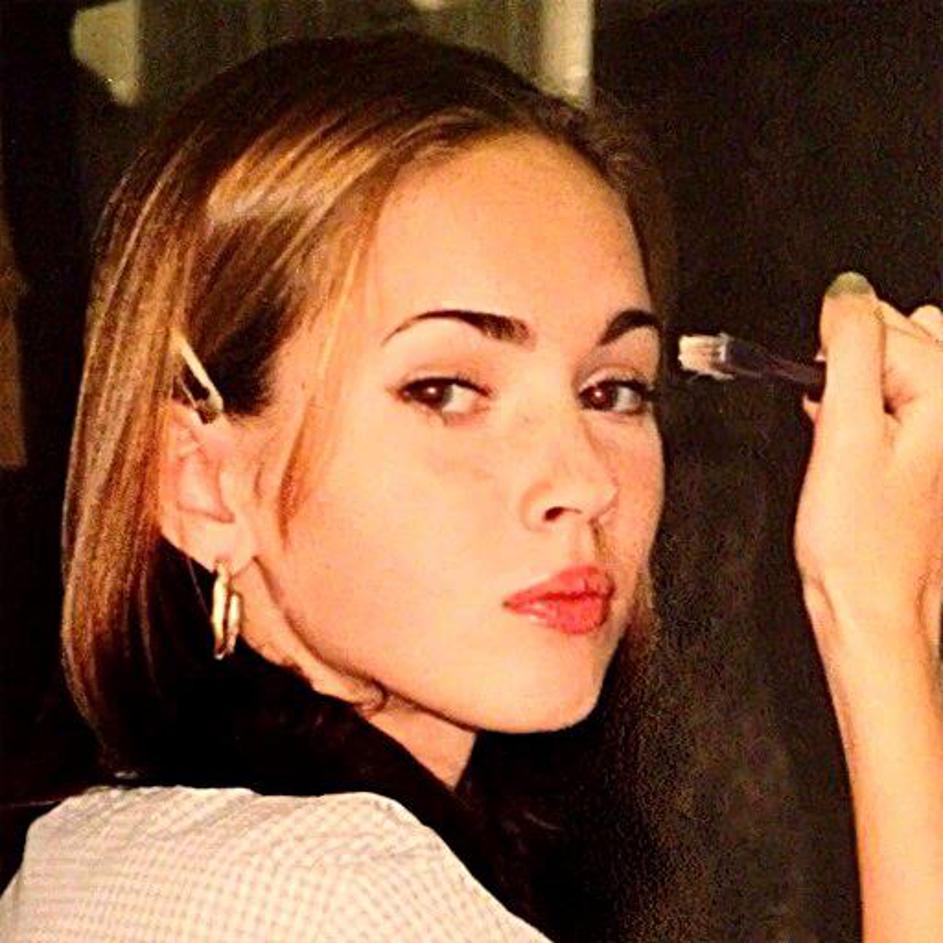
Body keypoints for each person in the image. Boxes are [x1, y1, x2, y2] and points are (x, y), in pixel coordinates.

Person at [1, 31, 941, 942]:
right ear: (203, 484)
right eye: (445, 390)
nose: (583, 482)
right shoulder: (330, 894)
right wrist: (878, 619)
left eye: (611, 391)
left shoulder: (94, 852)